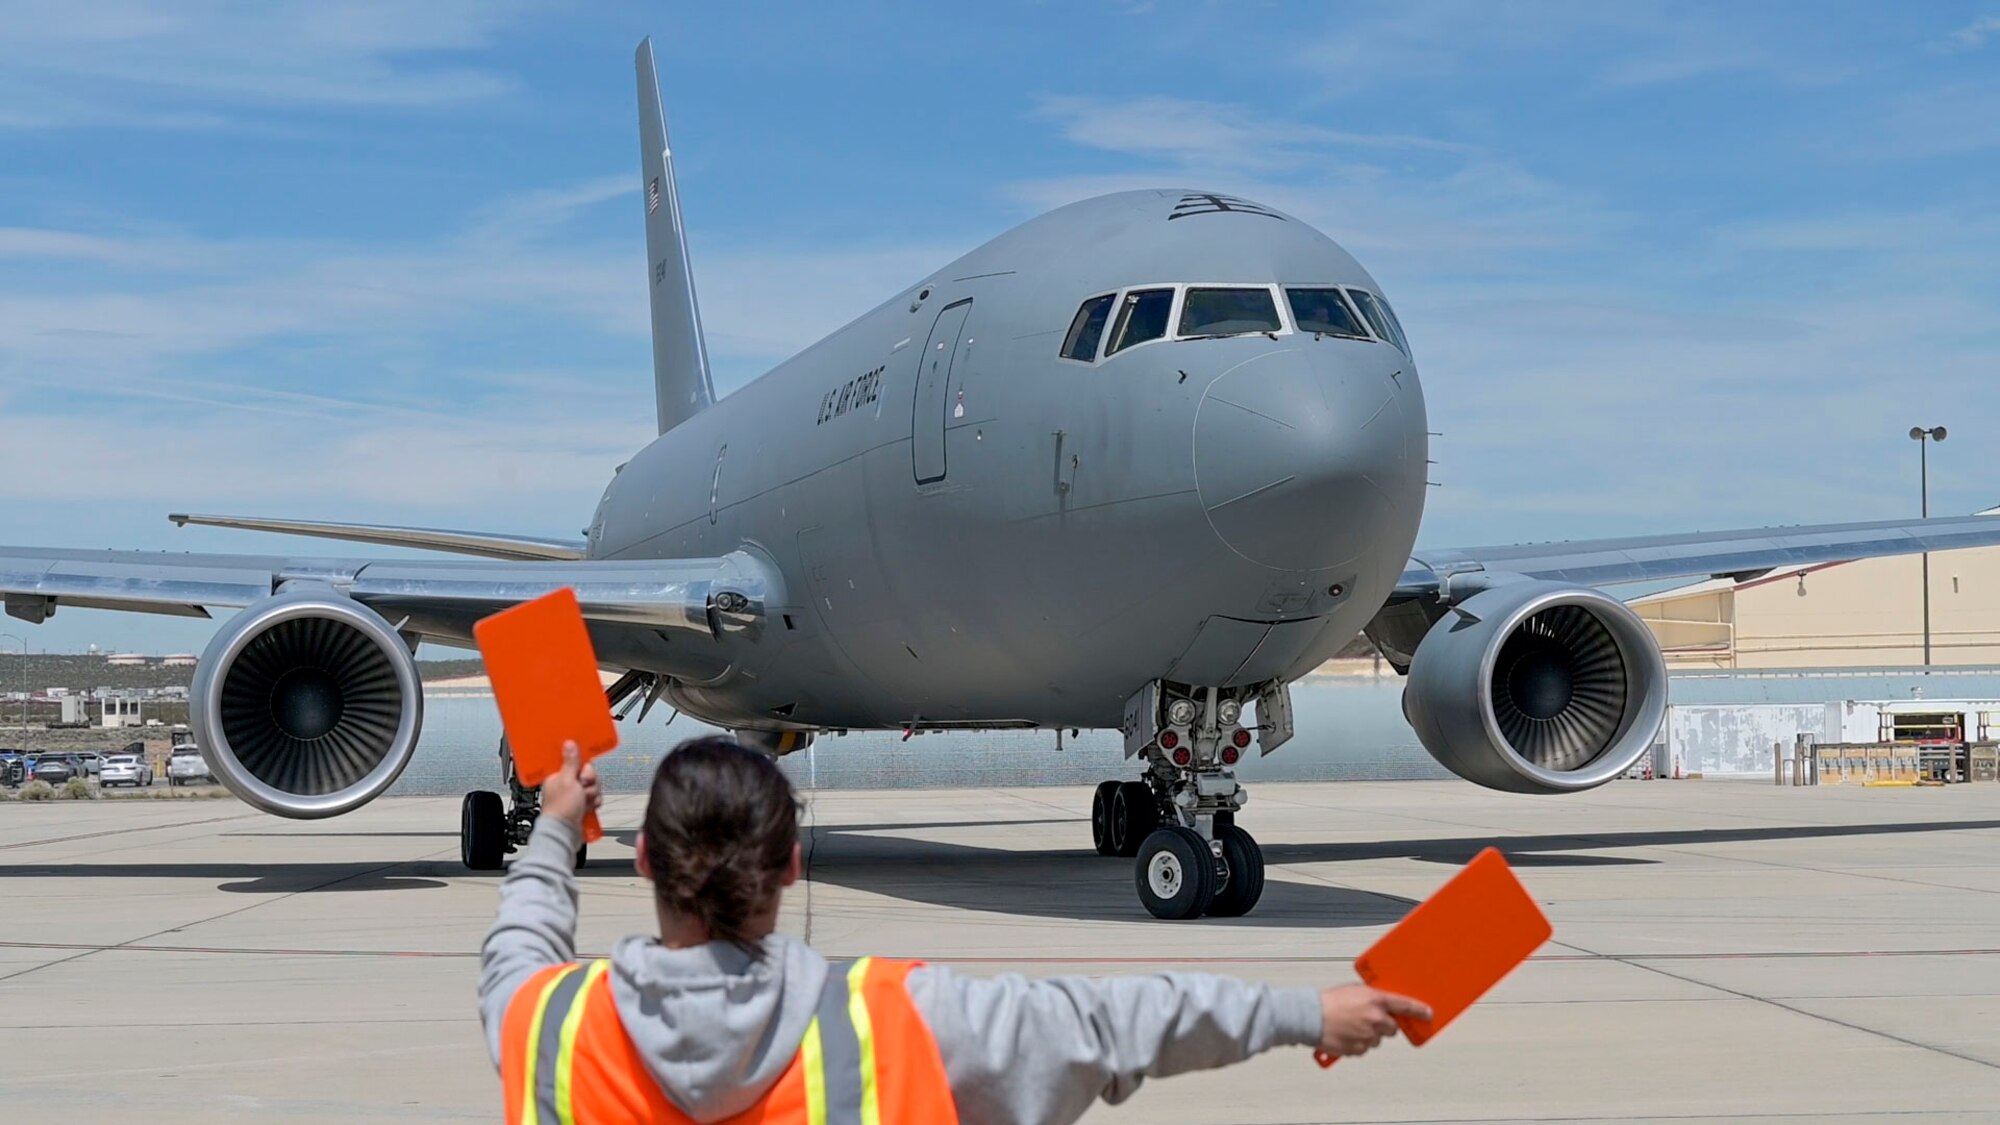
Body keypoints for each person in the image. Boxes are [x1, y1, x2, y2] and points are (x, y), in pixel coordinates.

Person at [481, 736, 1430, 1124]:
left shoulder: (548, 1028)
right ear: (794, 866)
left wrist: (559, 822)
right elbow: (1115, 1021)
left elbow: (519, 937)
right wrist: (1311, 1012)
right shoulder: (896, 1018)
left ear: (646, 860)